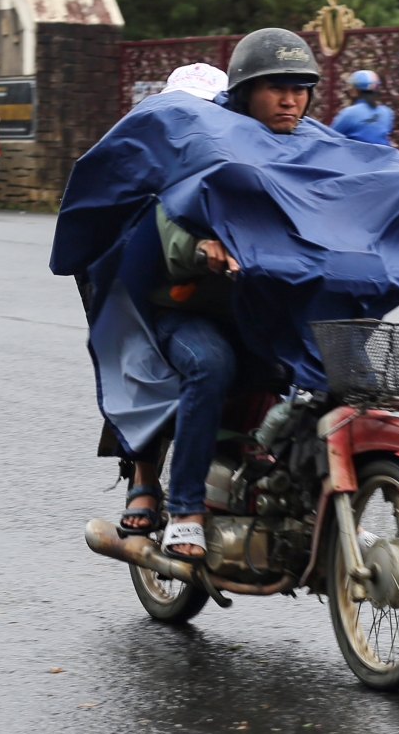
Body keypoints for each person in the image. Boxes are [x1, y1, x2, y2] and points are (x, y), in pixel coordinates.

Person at [120, 29, 322, 559]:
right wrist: (203, 248)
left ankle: (320, 502)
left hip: (251, 304)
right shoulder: (177, 160)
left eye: (300, 88)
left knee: (324, 365)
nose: (289, 99)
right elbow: (166, 227)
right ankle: (179, 502)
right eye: (277, 87)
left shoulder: (302, 147)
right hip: (181, 306)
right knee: (209, 363)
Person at [330, 69, 394, 145]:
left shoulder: (349, 113)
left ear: (355, 89)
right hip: (384, 155)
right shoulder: (387, 112)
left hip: (355, 156)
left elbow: (331, 137)